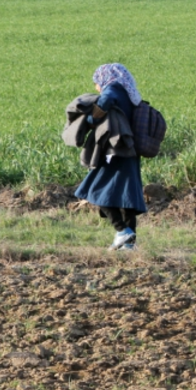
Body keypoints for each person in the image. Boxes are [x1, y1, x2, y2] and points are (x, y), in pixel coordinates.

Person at [74, 63, 147, 251]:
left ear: (105, 78)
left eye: (96, 82)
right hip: (130, 150)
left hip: (115, 151)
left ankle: (121, 230)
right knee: (127, 197)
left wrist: (91, 119)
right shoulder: (129, 93)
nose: (96, 87)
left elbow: (105, 101)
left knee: (95, 190)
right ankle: (129, 244)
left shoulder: (112, 89)